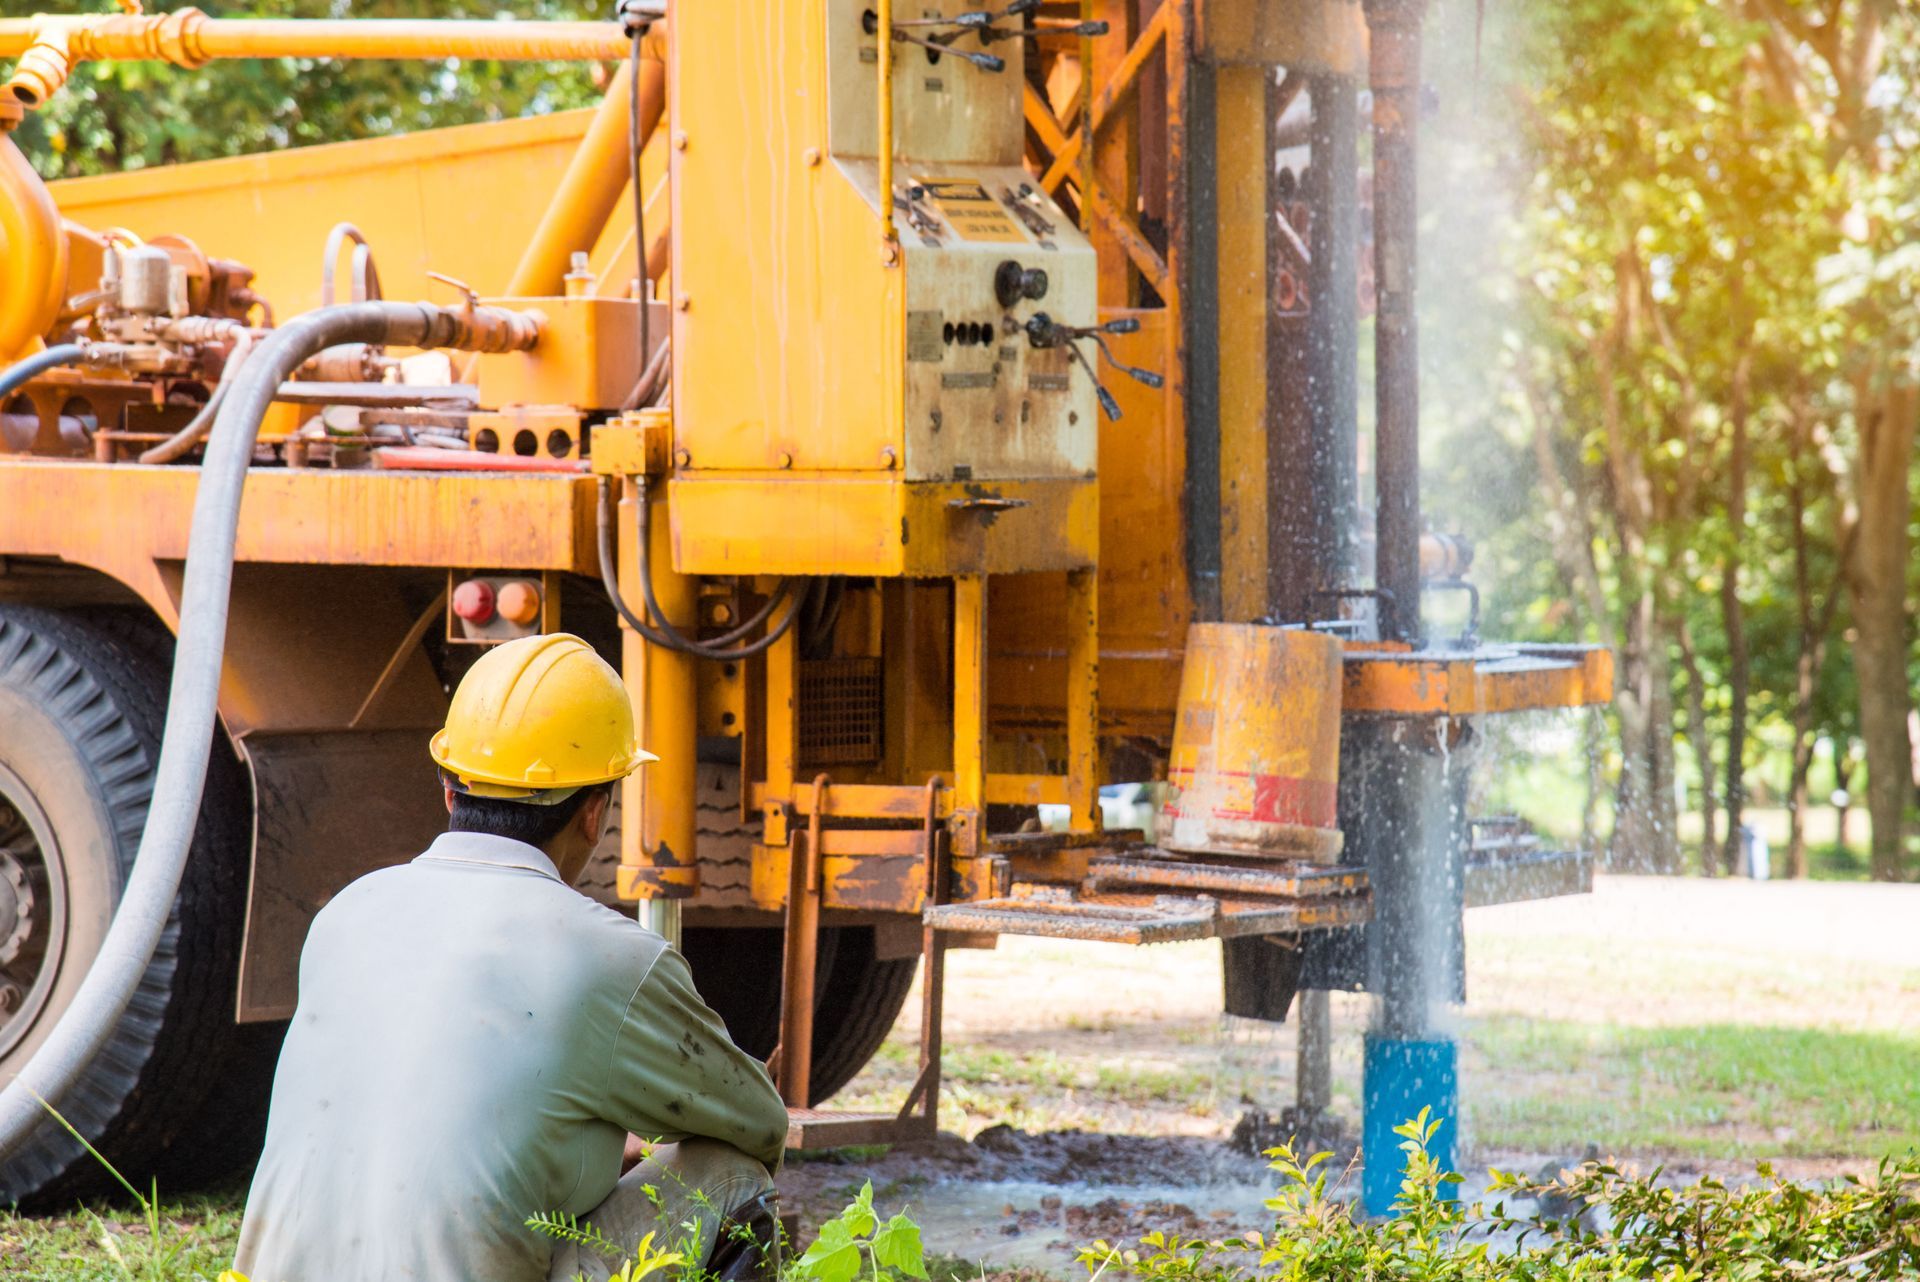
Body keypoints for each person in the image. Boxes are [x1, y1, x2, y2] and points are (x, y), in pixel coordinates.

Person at [233, 633, 788, 1282]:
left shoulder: (346, 913)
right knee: (729, 1173)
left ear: (448, 788)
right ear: (594, 812)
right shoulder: (612, 956)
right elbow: (758, 1125)